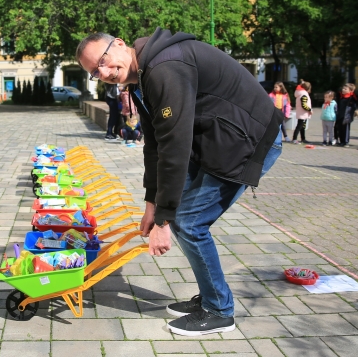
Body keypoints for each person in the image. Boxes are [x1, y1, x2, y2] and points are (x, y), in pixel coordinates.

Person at [76, 29, 283, 337]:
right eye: (95, 72)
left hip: (248, 141)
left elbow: (175, 145)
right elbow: (155, 147)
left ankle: (219, 310)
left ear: (119, 44)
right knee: (184, 219)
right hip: (218, 140)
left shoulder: (165, 67)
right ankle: (212, 297)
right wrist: (151, 205)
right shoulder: (141, 79)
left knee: (188, 222)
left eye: (104, 61)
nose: (104, 73)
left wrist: (163, 220)